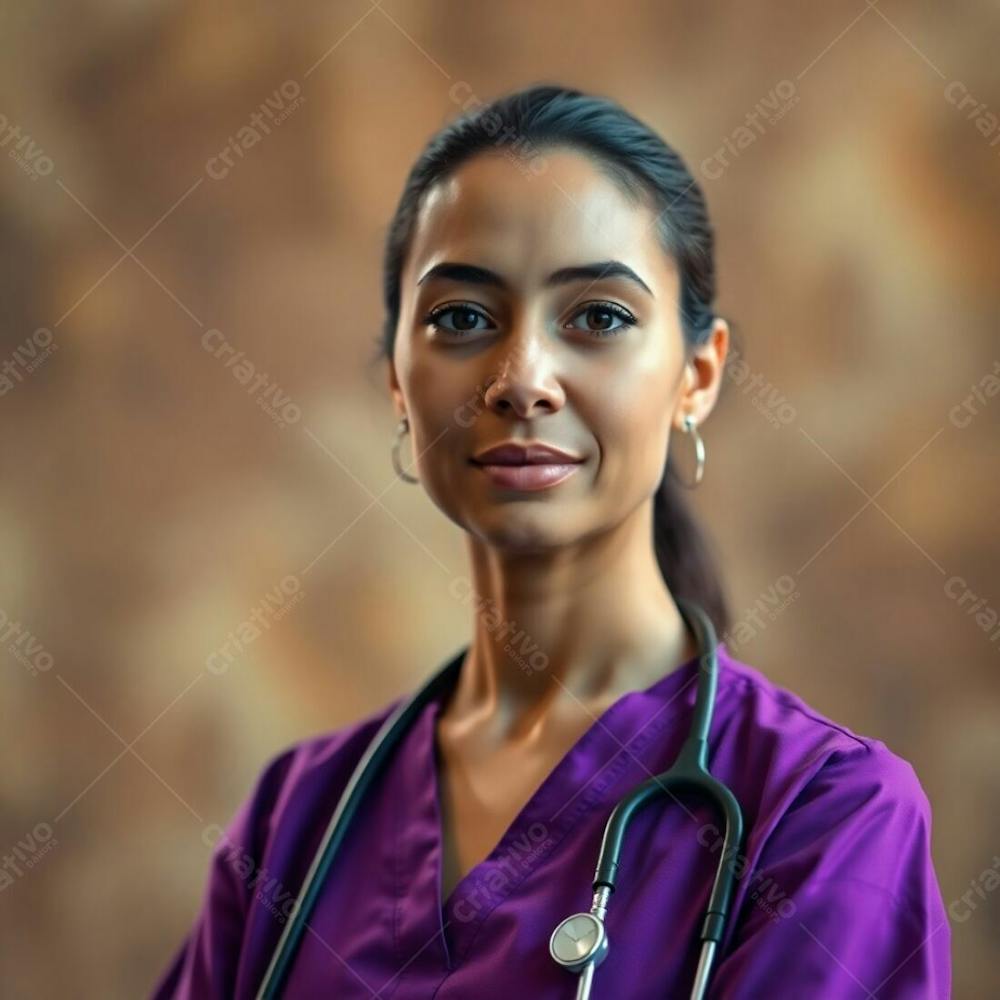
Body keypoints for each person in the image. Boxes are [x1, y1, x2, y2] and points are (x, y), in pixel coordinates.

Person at [150, 84, 951, 999]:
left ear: (697, 376)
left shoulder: (827, 818)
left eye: (599, 316)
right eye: (462, 318)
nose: (521, 379)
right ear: (399, 387)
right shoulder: (297, 822)